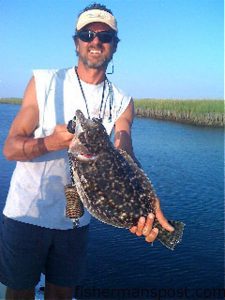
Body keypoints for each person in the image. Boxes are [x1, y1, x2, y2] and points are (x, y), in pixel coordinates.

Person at [0, 3, 174, 300]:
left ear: (115, 45)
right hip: (26, 212)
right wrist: (49, 143)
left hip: (76, 222)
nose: (95, 40)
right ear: (76, 41)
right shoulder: (43, 82)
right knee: (18, 293)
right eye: (87, 33)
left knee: (61, 294)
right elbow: (10, 148)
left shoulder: (123, 101)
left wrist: (147, 200)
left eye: (105, 35)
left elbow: (124, 150)